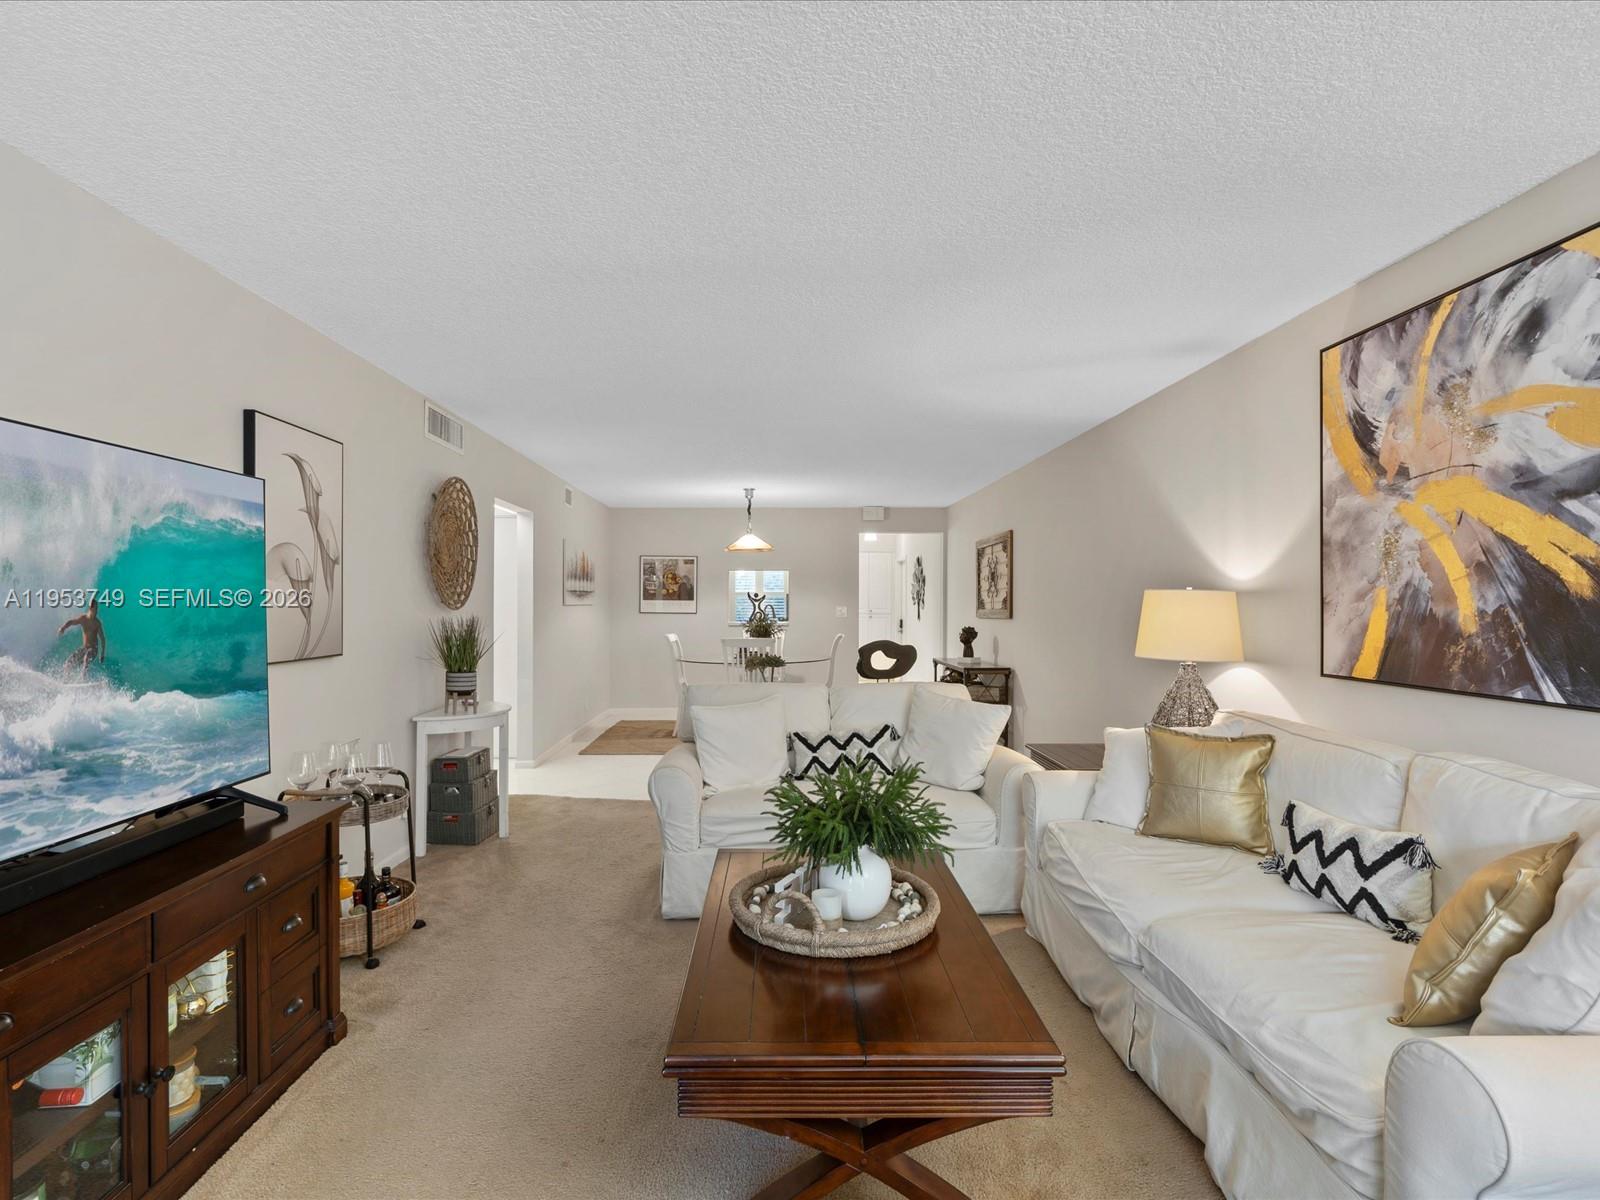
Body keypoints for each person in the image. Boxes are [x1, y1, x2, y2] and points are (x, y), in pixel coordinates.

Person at [56, 597, 107, 679]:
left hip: (94, 649)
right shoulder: (83, 619)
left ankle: (84, 678)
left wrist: (102, 654)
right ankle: (65, 680)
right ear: (91, 608)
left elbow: (102, 639)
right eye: (95, 608)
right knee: (68, 663)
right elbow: (72, 622)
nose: (97, 611)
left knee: (87, 657)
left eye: (97, 608)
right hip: (85, 648)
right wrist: (63, 628)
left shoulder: (97, 623)